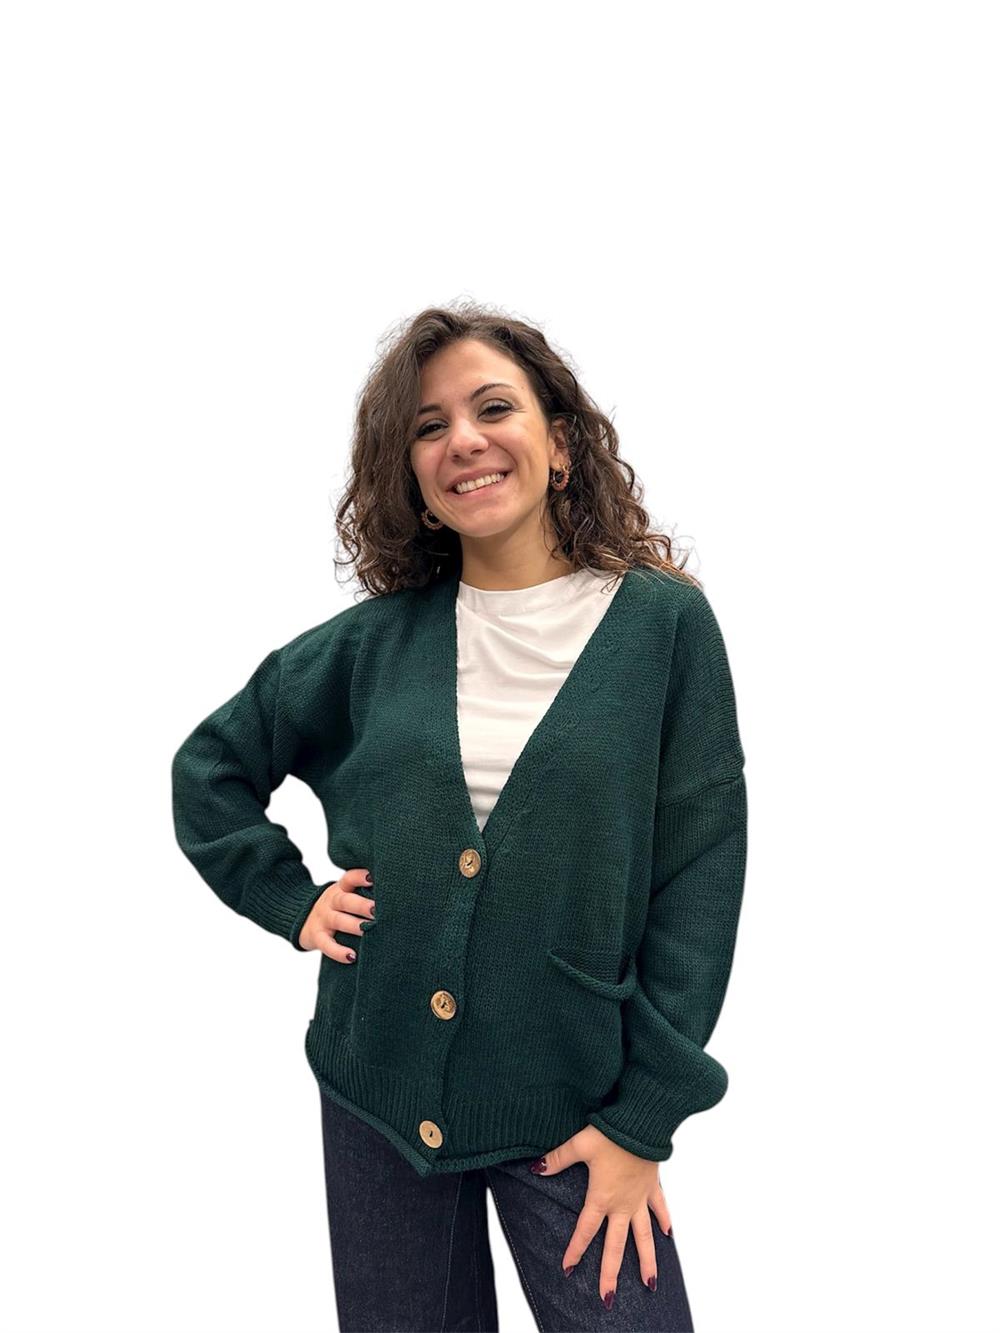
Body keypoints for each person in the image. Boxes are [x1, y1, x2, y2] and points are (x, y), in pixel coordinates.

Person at [171, 301, 748, 1332]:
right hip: (377, 1089)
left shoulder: (663, 625)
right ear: (412, 474)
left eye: (493, 408)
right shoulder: (373, 643)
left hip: (575, 1103)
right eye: (429, 426)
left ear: (560, 444)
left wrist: (643, 1121)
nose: (463, 441)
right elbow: (211, 767)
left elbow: (700, 874)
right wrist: (292, 901)